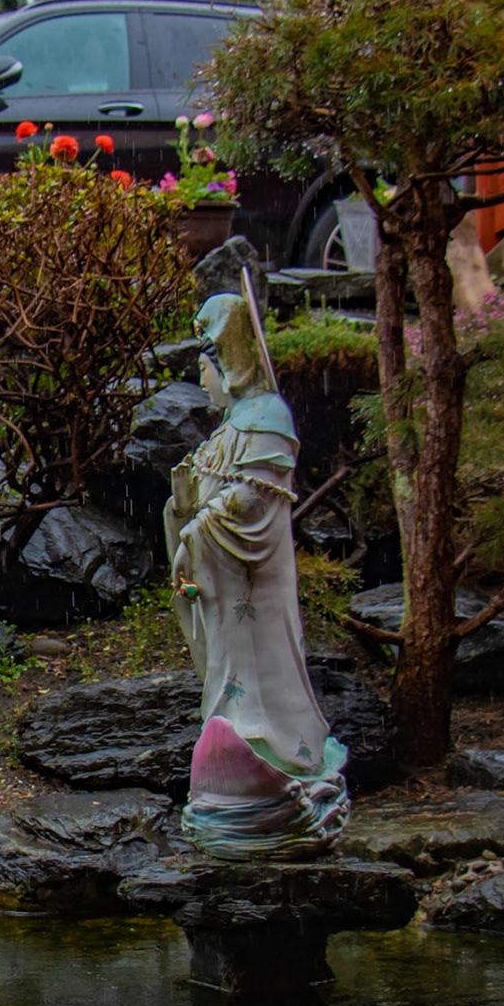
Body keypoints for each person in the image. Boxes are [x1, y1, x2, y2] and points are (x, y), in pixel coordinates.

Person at [166, 281, 349, 858]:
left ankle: (283, 762)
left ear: (231, 361)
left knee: (264, 666)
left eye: (206, 366)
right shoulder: (226, 428)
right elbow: (208, 496)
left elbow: (252, 504)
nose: (201, 380)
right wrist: (182, 507)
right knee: (228, 673)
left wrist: (196, 530)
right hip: (223, 587)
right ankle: (235, 778)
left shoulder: (269, 416)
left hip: (253, 576)